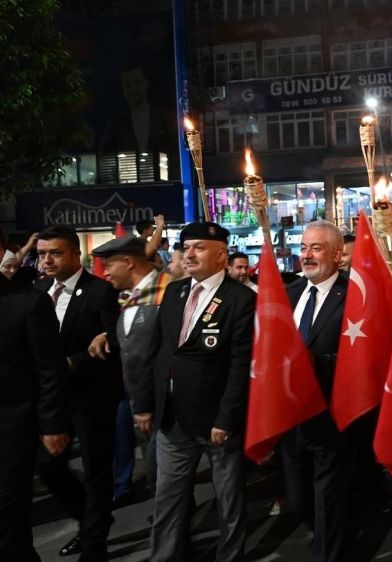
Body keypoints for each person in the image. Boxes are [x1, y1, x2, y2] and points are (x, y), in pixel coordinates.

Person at [133, 221, 256, 562]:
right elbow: (158, 351)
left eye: (198, 248)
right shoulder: (175, 292)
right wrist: (145, 403)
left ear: (221, 256)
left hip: (216, 420)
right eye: (186, 248)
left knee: (229, 500)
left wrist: (227, 417)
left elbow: (239, 363)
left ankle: (230, 556)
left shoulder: (240, 298)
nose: (189, 254)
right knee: (167, 499)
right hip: (172, 417)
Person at [35, 226, 122, 561]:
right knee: (48, 466)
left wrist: (76, 361)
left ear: (75, 254)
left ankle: (93, 545)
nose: (47, 260)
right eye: (42, 254)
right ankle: (91, 518)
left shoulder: (101, 291)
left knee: (96, 469)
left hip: (92, 395)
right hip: (53, 398)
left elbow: (116, 339)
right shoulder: (39, 289)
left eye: (55, 253)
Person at [281, 220, 353, 561]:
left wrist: (315, 362)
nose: (307, 256)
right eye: (304, 248)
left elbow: (363, 356)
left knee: (329, 499)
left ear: (338, 255)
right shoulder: (289, 293)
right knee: (298, 498)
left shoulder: (356, 295)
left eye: (316, 248)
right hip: (291, 416)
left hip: (331, 413)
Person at [88, 237, 172, 508]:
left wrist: (146, 405)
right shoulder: (127, 297)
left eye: (109, 265)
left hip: (165, 402)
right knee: (157, 471)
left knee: (166, 477)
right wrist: (106, 335)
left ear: (128, 262)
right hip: (139, 399)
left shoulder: (170, 292)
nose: (105, 273)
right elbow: (132, 339)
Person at [0, 245, 69, 562]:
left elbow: (49, 369)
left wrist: (52, 424)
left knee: (9, 517)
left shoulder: (28, 303)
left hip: (13, 426)